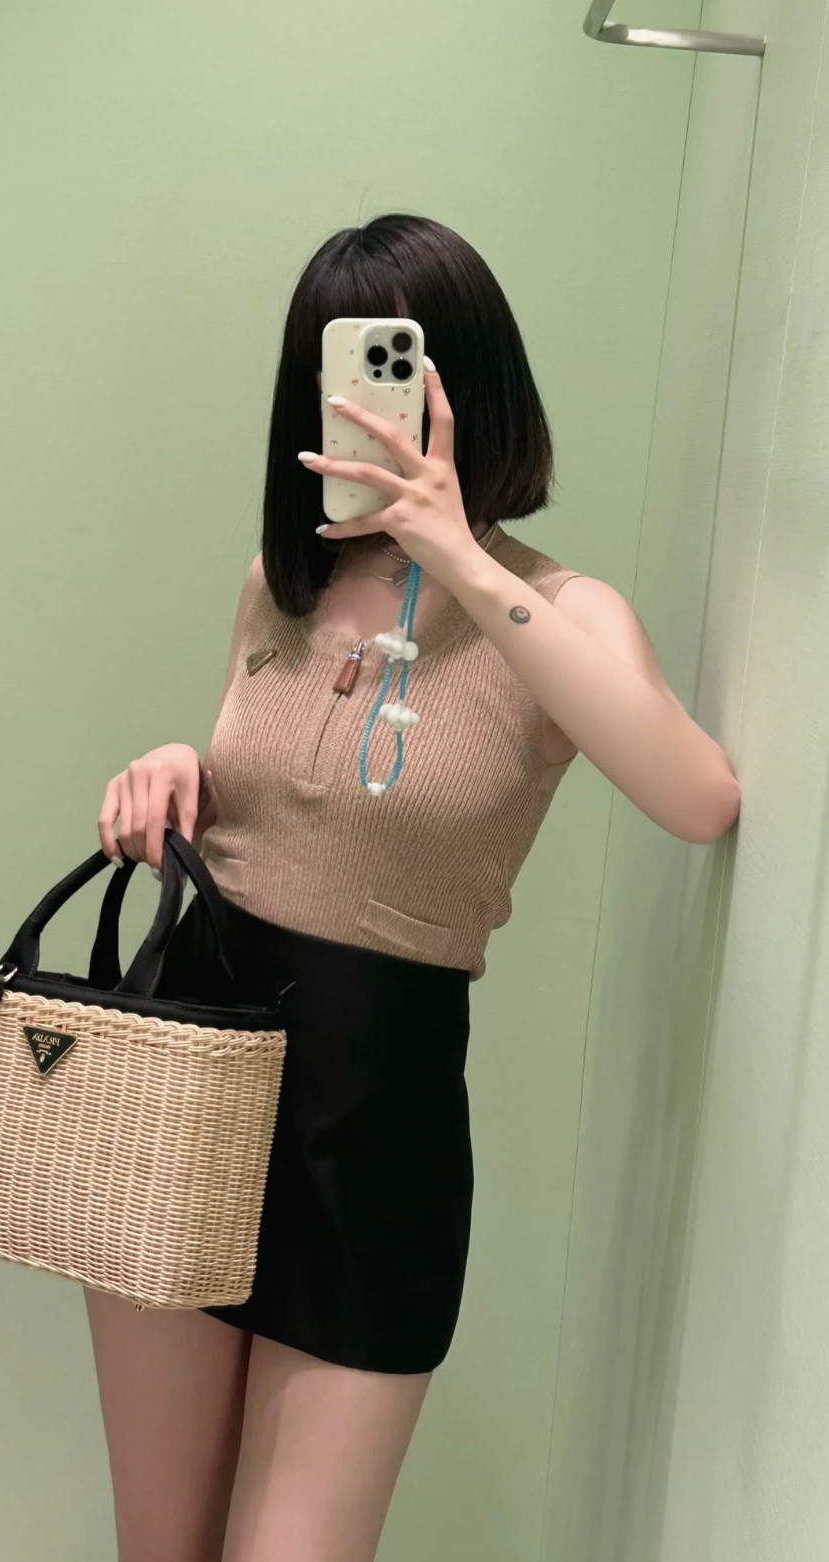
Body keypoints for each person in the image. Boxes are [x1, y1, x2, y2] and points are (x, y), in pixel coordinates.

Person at [85, 213, 741, 1562]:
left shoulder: (560, 614)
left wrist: (460, 559)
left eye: (393, 376)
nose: (362, 413)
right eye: (334, 380)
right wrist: (177, 767)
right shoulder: (281, 583)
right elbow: (272, 799)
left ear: (469, 389)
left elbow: (698, 797)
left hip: (374, 1114)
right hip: (190, 1075)